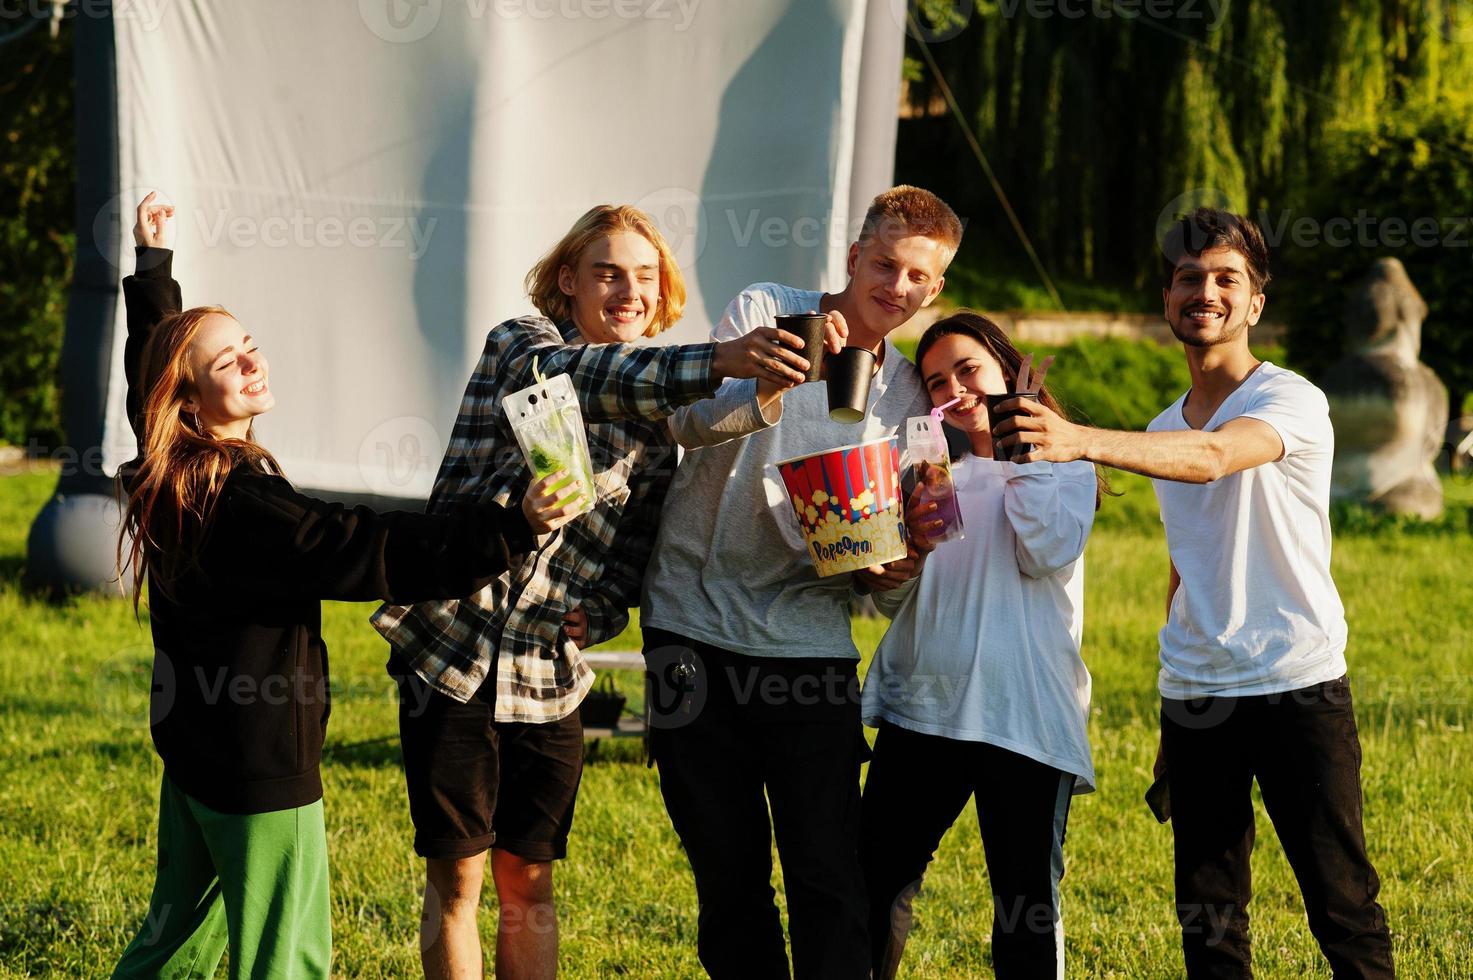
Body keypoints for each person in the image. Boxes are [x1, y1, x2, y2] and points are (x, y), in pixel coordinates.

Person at [369, 203, 844, 979]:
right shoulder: (522, 345)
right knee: (456, 877)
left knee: (530, 880)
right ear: (568, 281)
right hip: (451, 651)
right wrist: (723, 358)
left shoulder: (662, 418)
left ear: (661, 295)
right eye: (607, 272)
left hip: (548, 674)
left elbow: (636, 542)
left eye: (645, 277)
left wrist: (608, 605)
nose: (629, 290)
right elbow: (587, 378)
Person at [109, 193, 552, 979]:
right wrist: (509, 527)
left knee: (171, 948)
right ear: (188, 399)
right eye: (228, 362)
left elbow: (152, 363)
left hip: (195, 761)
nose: (252, 362)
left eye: (248, 344)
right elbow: (366, 548)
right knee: (287, 959)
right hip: (261, 771)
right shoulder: (244, 503)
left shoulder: (166, 473)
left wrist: (155, 273)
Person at [993, 207, 1396, 978]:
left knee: (1341, 903)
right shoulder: (1162, 424)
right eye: (1187, 279)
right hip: (1196, 694)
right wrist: (1172, 702)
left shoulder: (1291, 400)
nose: (1202, 292)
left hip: (1294, 684)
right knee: (1207, 918)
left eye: (1224, 279)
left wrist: (1078, 439)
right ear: (1167, 298)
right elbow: (1186, 563)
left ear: (1252, 304)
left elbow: (1214, 458)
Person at [639, 185, 963, 979]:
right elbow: (684, 423)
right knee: (730, 879)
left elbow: (880, 584)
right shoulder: (769, 308)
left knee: (829, 876)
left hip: (810, 645)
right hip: (691, 626)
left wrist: (898, 568)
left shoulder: (911, 399)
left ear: (937, 287)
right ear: (853, 258)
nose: (899, 287)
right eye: (885, 264)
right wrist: (769, 386)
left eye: (920, 277)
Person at [859, 312, 1104, 980]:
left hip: (1021, 719)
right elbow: (890, 601)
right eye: (936, 381)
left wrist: (1021, 445)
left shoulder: (1066, 470)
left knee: (1022, 906)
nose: (954, 389)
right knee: (874, 887)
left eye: (967, 369)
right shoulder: (926, 478)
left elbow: (1042, 551)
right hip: (922, 712)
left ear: (1004, 365)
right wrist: (896, 564)